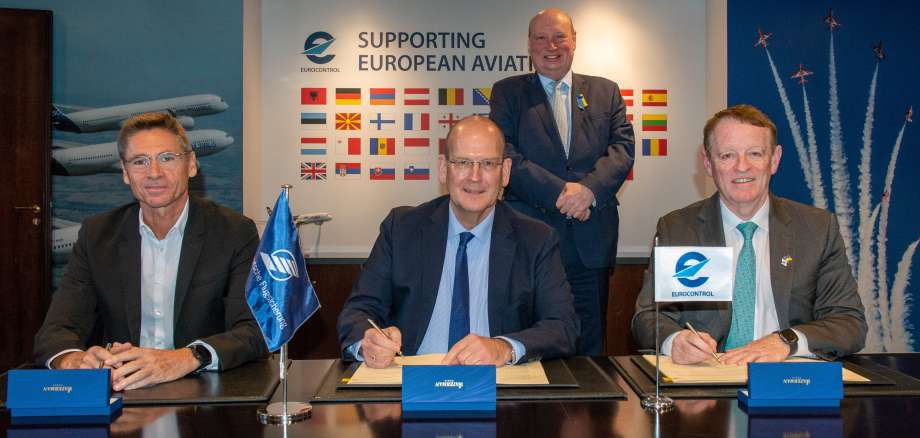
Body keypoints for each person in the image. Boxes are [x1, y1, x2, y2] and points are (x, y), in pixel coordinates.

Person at [34, 112, 266, 390]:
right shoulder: (97, 235)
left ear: (191, 164)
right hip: (122, 395)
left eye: (167, 158)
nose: (154, 173)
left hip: (201, 393)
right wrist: (74, 360)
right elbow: (56, 330)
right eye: (140, 161)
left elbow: (254, 331)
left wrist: (185, 358)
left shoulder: (234, 232)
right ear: (124, 172)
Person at [631, 104, 866, 365]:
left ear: (774, 160)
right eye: (727, 156)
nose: (742, 167)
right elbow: (648, 316)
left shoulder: (817, 229)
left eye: (754, 153)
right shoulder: (678, 228)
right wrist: (674, 340)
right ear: (708, 164)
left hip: (789, 377)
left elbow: (849, 322)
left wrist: (786, 341)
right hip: (707, 379)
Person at [337, 116, 578, 368]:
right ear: (443, 169)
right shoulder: (402, 229)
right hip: (412, 386)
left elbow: (563, 326)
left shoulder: (536, 239)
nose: (475, 177)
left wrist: (504, 347)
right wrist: (369, 343)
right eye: (463, 162)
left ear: (505, 172)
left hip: (498, 389)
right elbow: (357, 313)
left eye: (487, 163)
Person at [490, 8, 635, 355]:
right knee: (529, 342)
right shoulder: (507, 93)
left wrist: (588, 191)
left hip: (590, 241)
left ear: (574, 41)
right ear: (529, 44)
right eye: (541, 37)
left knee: (590, 346)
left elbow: (623, 149)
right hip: (530, 240)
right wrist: (561, 193)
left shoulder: (606, 91)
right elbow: (505, 153)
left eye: (559, 36)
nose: (550, 45)